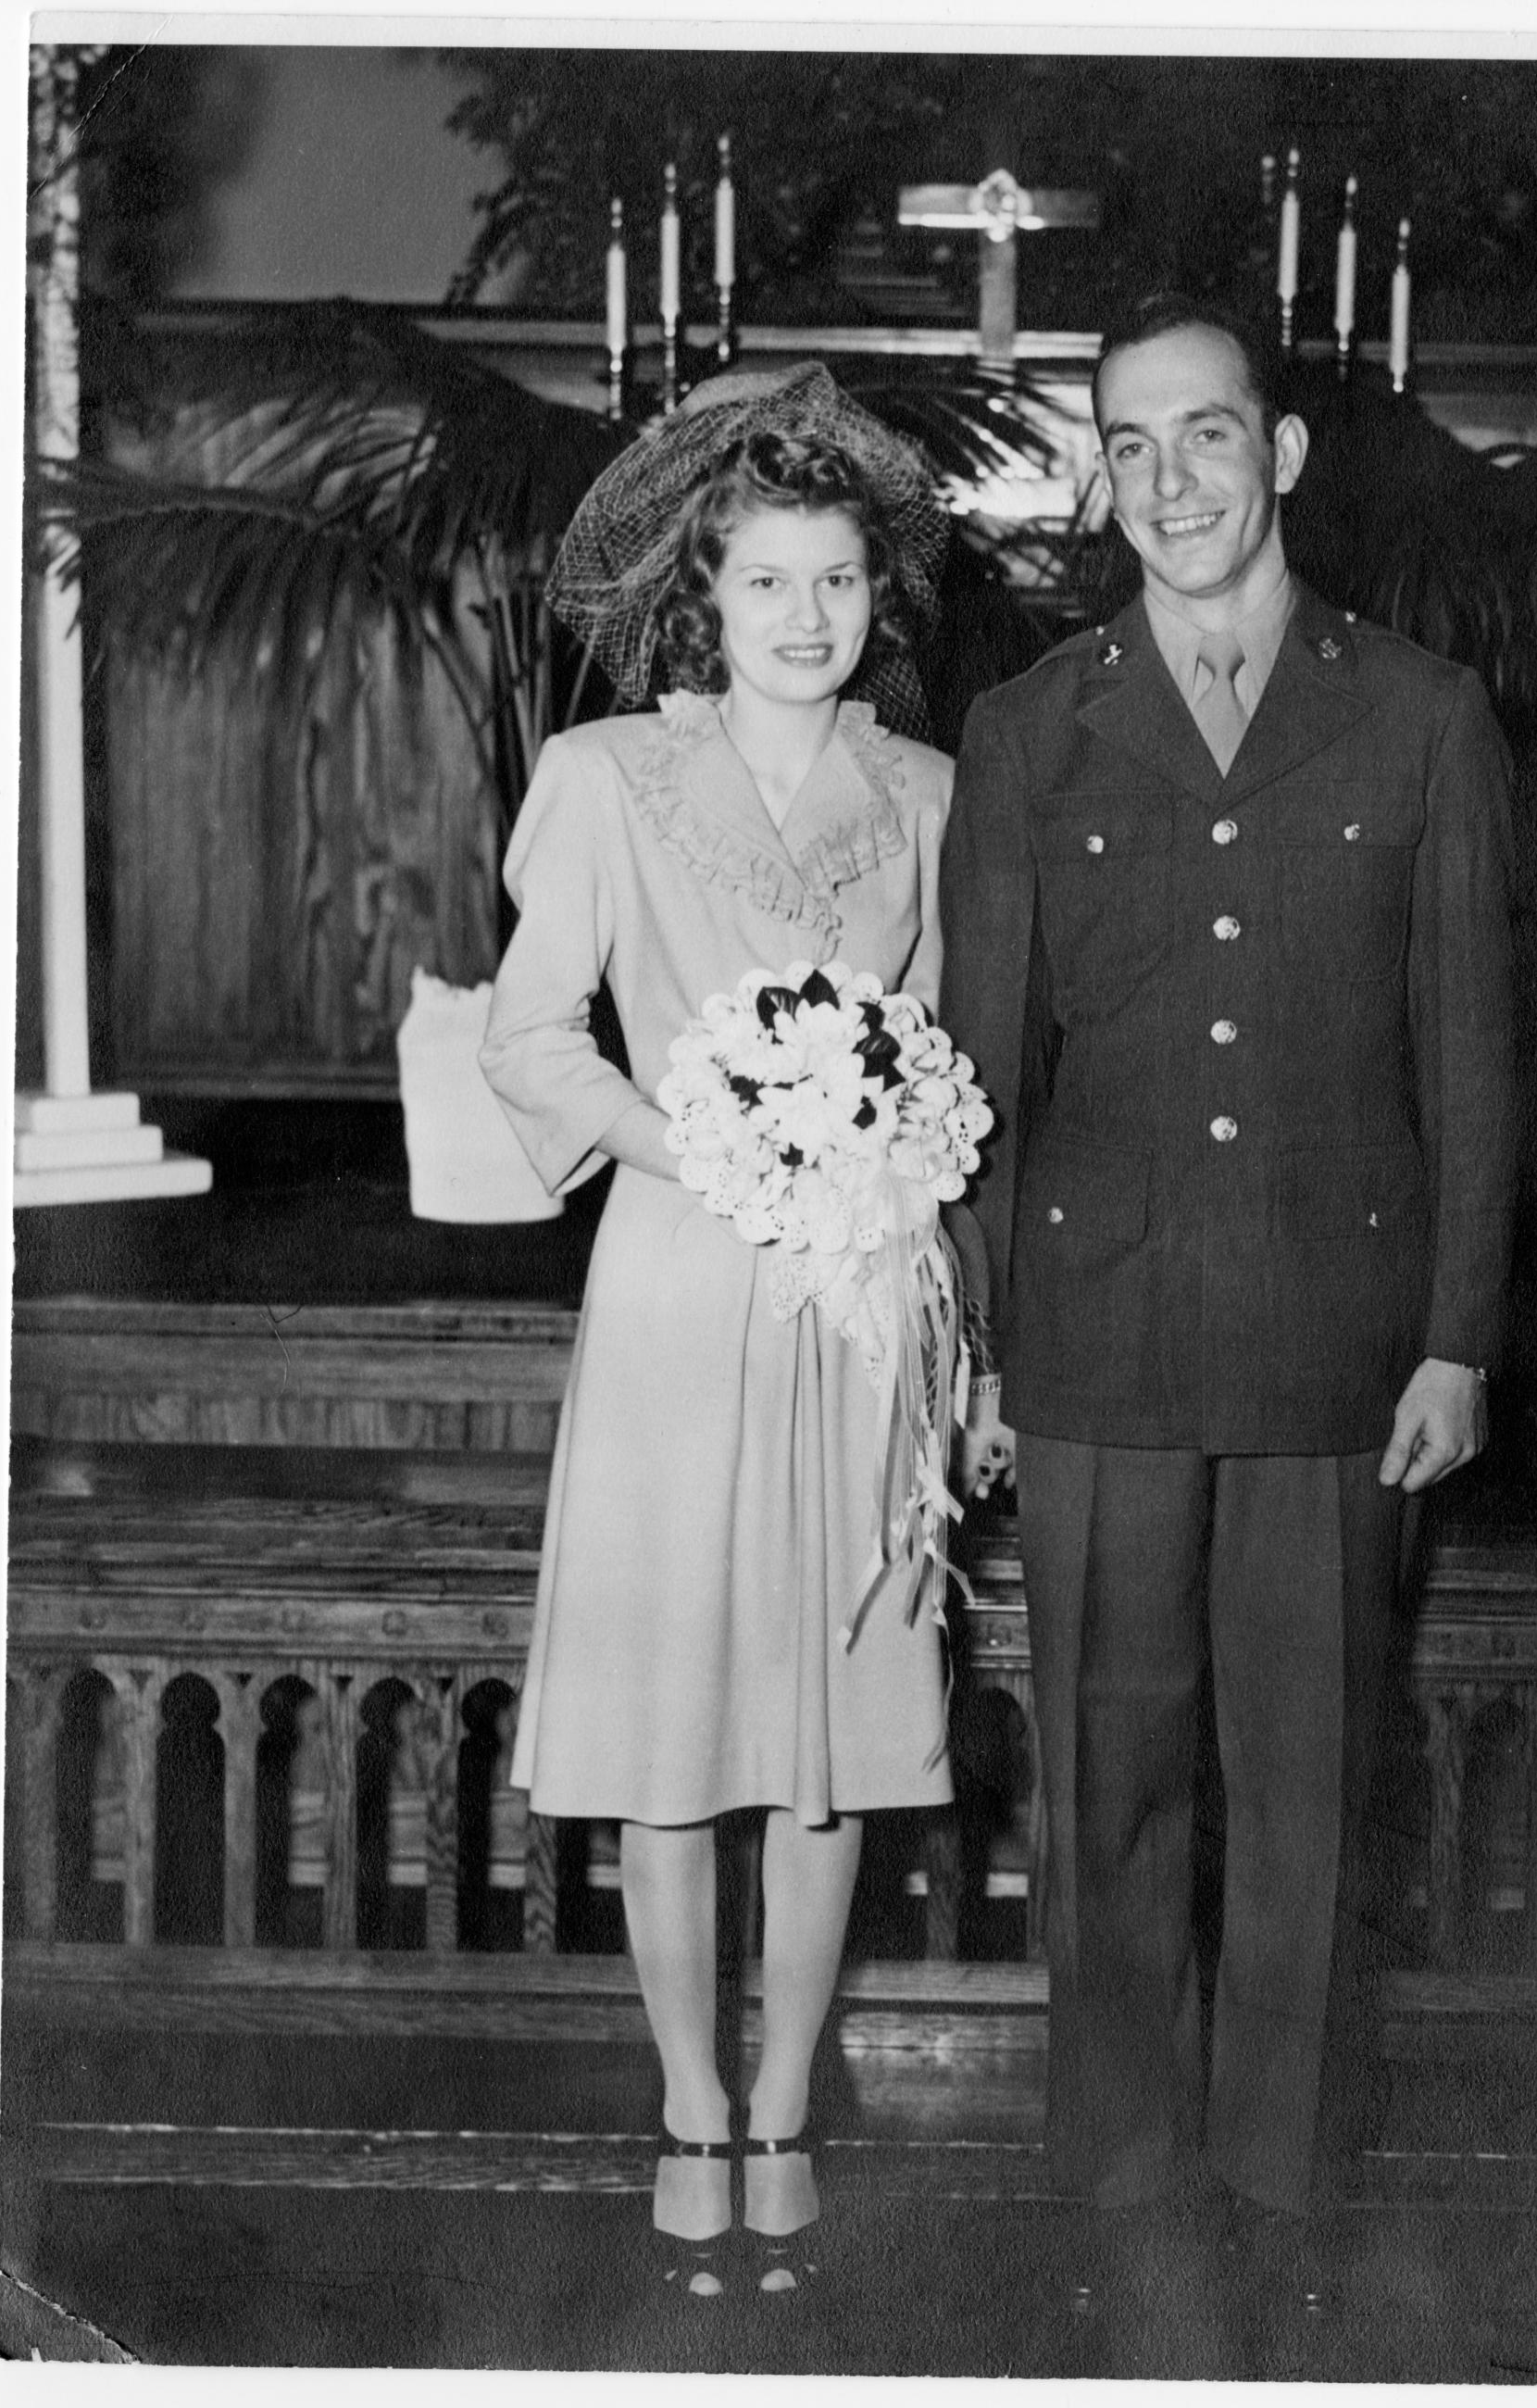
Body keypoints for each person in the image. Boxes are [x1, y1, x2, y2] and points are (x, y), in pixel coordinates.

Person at [942, 294, 1515, 2290]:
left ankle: (1284, 2183)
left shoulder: (1422, 714)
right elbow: (982, 1079)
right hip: (1093, 1341)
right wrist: (981, 1345)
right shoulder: (1030, 730)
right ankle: (1120, 2181)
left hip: (1334, 1339)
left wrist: (1456, 1334)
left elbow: (1471, 1057)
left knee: (1306, 1787)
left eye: (1203, 434)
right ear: (1098, 479)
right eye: (1128, 444)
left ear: (1280, 453)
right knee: (1106, 1781)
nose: (1168, 478)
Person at [481, 366, 956, 2301]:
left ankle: (782, 2102)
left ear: (874, 596)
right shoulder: (608, 776)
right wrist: (701, 1137)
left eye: (837, 578)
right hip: (679, 1283)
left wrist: (953, 1328)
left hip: (861, 1298)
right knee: (673, 1728)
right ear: (706, 594)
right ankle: (687, 2101)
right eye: (766, 578)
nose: (805, 615)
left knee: (828, 1730)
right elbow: (530, 1038)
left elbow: (951, 1073)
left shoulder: (931, 796)